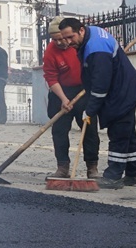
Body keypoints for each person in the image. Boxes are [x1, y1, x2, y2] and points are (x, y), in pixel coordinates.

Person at [52, 17, 136, 188]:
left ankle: (113, 176)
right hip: (124, 89)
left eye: (70, 37)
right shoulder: (91, 34)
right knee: (127, 133)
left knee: (118, 133)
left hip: (122, 92)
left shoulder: (96, 49)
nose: (67, 42)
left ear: (81, 30)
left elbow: (100, 85)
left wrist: (90, 110)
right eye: (64, 38)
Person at [40, 25, 98, 180]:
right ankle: (62, 166)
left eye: (62, 38)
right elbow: (51, 77)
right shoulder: (50, 52)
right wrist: (64, 99)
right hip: (60, 92)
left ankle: (92, 167)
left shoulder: (80, 45)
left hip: (83, 90)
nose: (60, 42)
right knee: (59, 131)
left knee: (89, 129)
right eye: (55, 39)